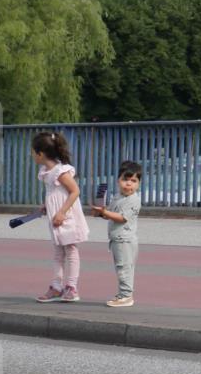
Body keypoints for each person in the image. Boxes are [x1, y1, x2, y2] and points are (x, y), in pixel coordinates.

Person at [32, 131, 89, 303]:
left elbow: (75, 191)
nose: (32, 155)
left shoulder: (61, 171)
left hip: (66, 216)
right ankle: (56, 287)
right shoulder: (46, 171)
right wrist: (46, 206)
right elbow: (55, 193)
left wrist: (62, 212)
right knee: (58, 252)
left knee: (71, 250)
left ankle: (71, 288)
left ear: (41, 154)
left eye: (33, 152)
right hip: (56, 217)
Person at [92, 160, 142, 308]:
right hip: (117, 239)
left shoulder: (134, 200)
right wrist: (101, 213)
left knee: (124, 267)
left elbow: (122, 218)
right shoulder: (117, 197)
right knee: (122, 267)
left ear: (139, 184)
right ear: (118, 180)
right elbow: (111, 214)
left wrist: (105, 212)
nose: (129, 184)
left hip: (125, 240)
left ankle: (126, 295)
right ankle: (123, 294)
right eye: (125, 179)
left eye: (133, 181)